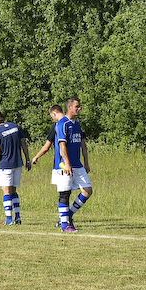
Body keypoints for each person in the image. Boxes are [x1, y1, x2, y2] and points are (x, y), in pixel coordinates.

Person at [55, 96, 93, 232]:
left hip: (78, 165)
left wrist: (86, 163)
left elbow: (83, 145)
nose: (79, 108)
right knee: (65, 194)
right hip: (66, 165)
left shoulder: (77, 124)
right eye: (77, 106)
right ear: (69, 107)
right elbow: (62, 145)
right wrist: (67, 163)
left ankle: (68, 215)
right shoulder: (62, 124)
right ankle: (65, 225)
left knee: (88, 190)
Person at [0, 109, 32, 225]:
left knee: (6, 191)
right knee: (14, 190)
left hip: (5, 165)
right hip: (18, 163)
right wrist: (28, 159)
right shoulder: (15, 127)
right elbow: (24, 143)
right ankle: (17, 218)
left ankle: (9, 220)